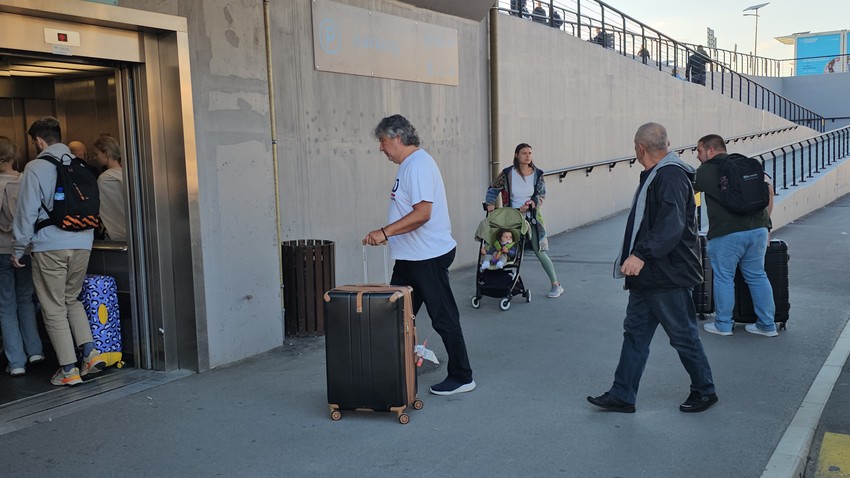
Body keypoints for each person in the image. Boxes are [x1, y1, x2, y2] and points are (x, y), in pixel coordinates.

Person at [587, 123, 717, 414]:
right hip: (650, 276)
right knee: (635, 334)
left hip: (667, 275)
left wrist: (640, 255)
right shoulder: (661, 174)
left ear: (640, 148)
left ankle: (705, 390)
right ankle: (622, 394)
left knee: (682, 335)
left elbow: (670, 225)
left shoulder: (670, 176)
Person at [362, 114, 475, 396]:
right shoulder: (409, 165)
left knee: (443, 317)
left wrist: (385, 232)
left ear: (398, 137)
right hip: (411, 258)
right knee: (397, 318)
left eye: (383, 141)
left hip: (427, 257)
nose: (381, 148)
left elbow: (423, 213)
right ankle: (398, 371)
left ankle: (462, 376)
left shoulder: (418, 165)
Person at [12, 117, 106, 386]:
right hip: (83, 243)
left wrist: (18, 248)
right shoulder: (79, 165)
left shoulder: (35, 167)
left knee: (53, 308)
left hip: (50, 246)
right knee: (71, 300)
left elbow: (27, 212)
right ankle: (90, 354)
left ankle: (68, 370)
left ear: (38, 141)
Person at [694, 134, 778, 337]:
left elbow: (684, 191)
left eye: (699, 150)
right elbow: (769, 190)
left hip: (727, 233)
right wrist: (766, 225)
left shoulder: (705, 170)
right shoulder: (746, 164)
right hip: (758, 230)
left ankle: (723, 325)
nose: (697, 156)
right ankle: (767, 325)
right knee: (757, 276)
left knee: (724, 278)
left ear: (711, 150)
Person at [485, 143, 564, 298]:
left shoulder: (538, 174)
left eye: (530, 153)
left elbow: (541, 195)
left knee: (539, 251)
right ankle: (501, 283)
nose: (528, 156)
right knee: (505, 249)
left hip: (531, 219)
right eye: (524, 153)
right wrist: (490, 203)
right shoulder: (507, 173)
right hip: (511, 218)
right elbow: (493, 189)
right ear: (516, 155)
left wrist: (531, 203)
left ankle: (556, 285)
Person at [0, 136, 43, 376]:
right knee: (25, 299)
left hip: (1, 250)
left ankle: (16, 362)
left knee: (6, 305)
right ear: (14, 156)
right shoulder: (26, 180)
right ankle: (35, 350)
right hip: (25, 248)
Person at [93, 136, 126, 242]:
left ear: (107, 154)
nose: (95, 157)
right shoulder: (126, 174)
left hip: (113, 233)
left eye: (96, 154)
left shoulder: (105, 179)